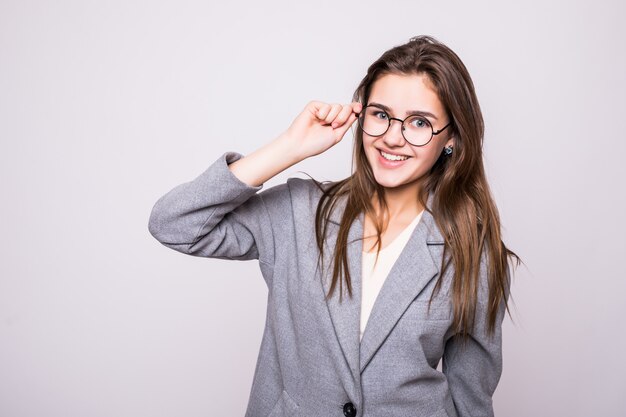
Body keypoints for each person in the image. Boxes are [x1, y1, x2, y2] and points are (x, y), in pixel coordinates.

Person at [148, 35, 520, 417]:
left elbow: (471, 399)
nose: (393, 136)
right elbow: (174, 223)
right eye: (380, 114)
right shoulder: (300, 211)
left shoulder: (473, 253)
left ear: (452, 139)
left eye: (419, 122)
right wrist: (290, 147)